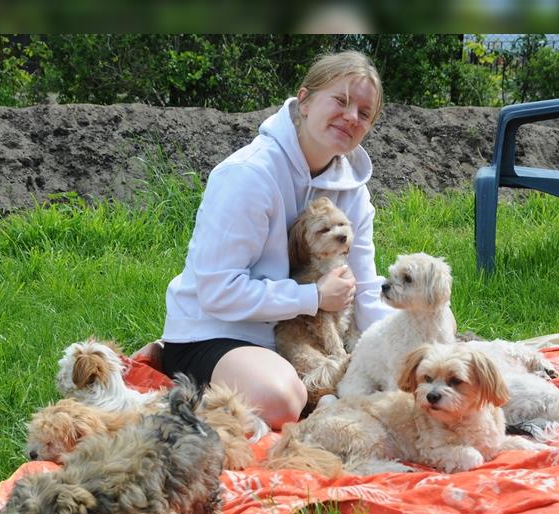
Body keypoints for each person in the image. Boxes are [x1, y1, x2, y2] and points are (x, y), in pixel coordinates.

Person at [142, 50, 394, 430]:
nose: (351, 117)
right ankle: (168, 359)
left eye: (364, 112)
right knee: (280, 400)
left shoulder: (353, 189)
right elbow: (218, 292)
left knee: (401, 369)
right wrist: (312, 298)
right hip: (220, 332)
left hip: (294, 336)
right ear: (305, 100)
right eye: (340, 101)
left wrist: (390, 350)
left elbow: (366, 284)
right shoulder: (248, 175)